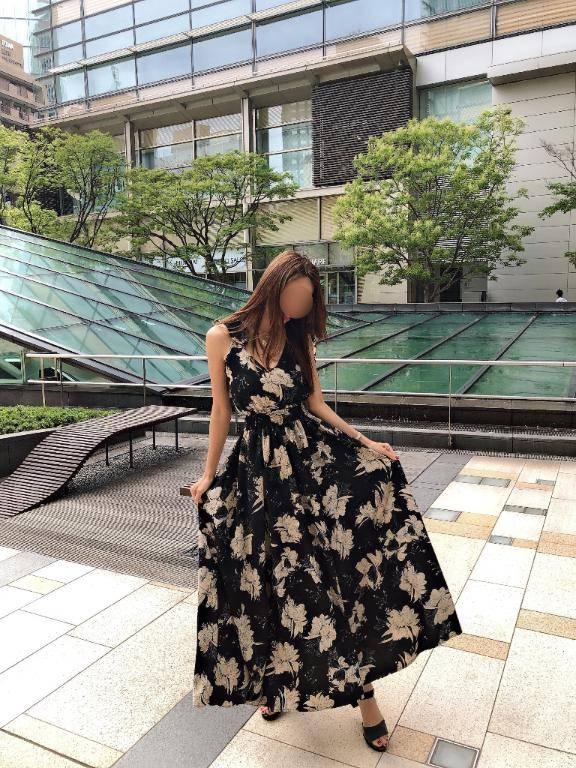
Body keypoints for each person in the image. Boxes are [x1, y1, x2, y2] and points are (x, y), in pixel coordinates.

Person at [187, 251, 463, 753]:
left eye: (308, 301)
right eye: (297, 297)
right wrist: (208, 475)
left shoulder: (299, 338)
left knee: (334, 578)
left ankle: (366, 698)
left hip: (309, 465)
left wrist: (365, 442)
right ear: (274, 287)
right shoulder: (222, 337)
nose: (300, 307)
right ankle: (275, 685)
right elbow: (221, 410)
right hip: (257, 475)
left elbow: (315, 403)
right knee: (267, 583)